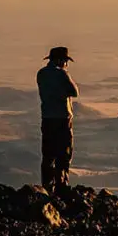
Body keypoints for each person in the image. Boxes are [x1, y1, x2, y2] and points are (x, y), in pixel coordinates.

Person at [37, 46, 79, 189]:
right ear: (61, 60)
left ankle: (47, 185)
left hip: (47, 118)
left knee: (48, 154)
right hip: (62, 118)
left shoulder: (41, 73)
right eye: (66, 61)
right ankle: (62, 185)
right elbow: (74, 92)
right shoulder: (62, 74)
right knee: (64, 153)